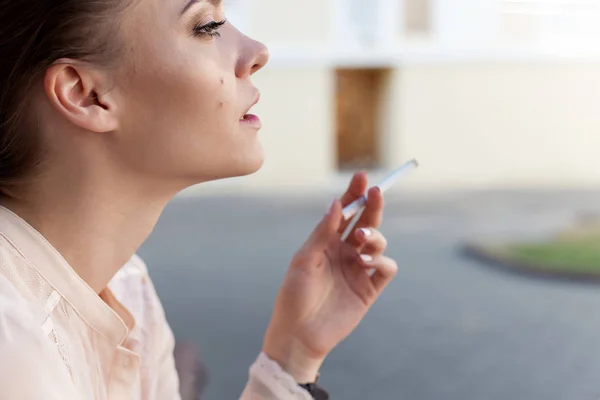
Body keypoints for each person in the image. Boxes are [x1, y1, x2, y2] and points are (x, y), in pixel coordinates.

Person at [0, 0, 399, 398]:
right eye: (207, 26)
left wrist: (292, 356)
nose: (257, 52)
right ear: (86, 94)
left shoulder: (126, 287)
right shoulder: (13, 342)